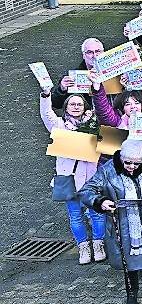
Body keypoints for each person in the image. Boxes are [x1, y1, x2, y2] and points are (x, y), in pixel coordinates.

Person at [77, 138, 142, 304]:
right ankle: (132, 293)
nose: (132, 167)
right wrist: (101, 201)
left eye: (136, 163)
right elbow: (86, 191)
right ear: (122, 158)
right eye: (128, 163)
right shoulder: (108, 170)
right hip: (124, 223)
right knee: (130, 260)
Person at [40, 87, 105, 264]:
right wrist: (46, 95)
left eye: (79, 104)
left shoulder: (93, 123)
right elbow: (46, 113)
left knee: (97, 213)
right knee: (75, 215)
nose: (76, 107)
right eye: (72, 104)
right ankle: (83, 247)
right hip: (69, 177)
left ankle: (98, 244)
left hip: (92, 177)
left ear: (84, 107)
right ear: (66, 107)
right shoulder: (59, 125)